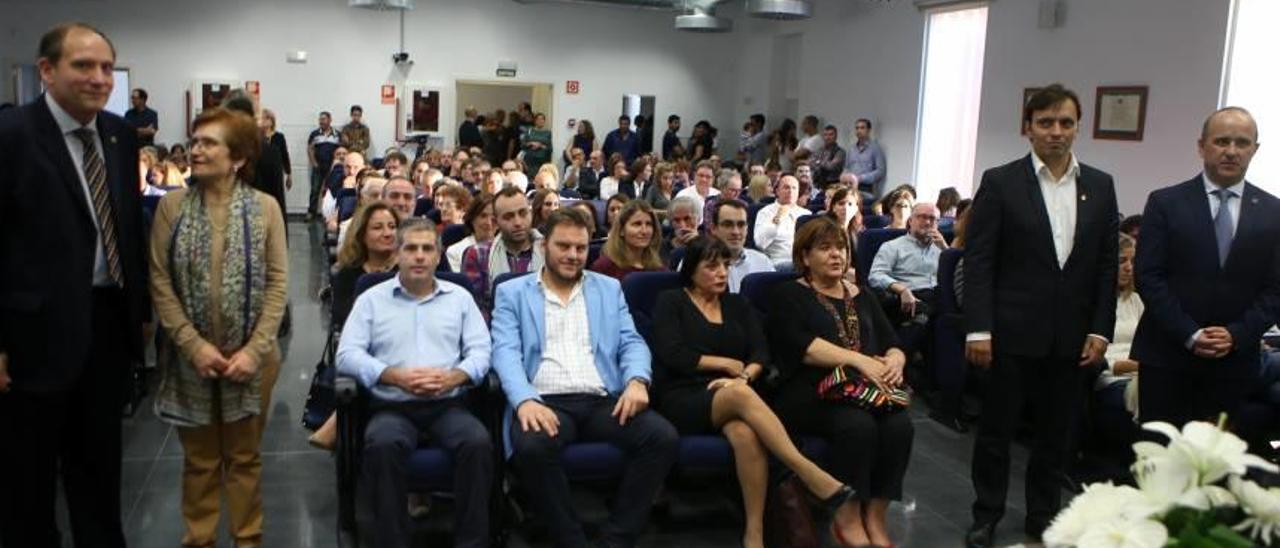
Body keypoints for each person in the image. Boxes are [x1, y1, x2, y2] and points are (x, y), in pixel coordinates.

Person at [0, 23, 149, 547]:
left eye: (107, 67)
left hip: (106, 328)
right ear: (47, 71)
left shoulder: (118, 134)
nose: (99, 78)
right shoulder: (12, 136)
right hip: (30, 339)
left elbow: (126, 229)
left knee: (100, 472)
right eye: (83, 66)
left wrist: (141, 316)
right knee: (28, 483)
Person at [963, 84, 1119, 547]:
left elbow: (1107, 264)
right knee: (996, 432)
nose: (1056, 132)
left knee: (1056, 436)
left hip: (1071, 337)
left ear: (1077, 127)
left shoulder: (1100, 185)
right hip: (1009, 333)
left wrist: (1100, 329)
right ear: (1027, 127)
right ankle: (986, 512)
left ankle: (1043, 516)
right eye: (1046, 122)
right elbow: (981, 261)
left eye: (1066, 123)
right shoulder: (1000, 182)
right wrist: (978, 329)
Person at [490, 208, 679, 548]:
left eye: (580, 248)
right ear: (544, 246)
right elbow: (504, 352)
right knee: (532, 447)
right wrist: (524, 400)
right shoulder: (513, 292)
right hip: (545, 400)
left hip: (601, 397)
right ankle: (571, 540)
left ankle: (616, 540)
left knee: (661, 437)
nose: (573, 255)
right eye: (563, 246)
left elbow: (631, 341)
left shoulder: (608, 288)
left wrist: (637, 380)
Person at [653, 235, 857, 548]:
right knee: (740, 396)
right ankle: (808, 473)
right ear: (692, 271)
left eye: (724, 265)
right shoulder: (671, 301)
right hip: (685, 395)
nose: (722, 272)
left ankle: (754, 532)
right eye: (712, 266)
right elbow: (673, 353)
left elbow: (761, 352)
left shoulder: (737, 303)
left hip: (738, 392)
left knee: (746, 435)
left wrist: (745, 375)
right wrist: (728, 365)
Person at [149, 107, 288, 547]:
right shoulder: (172, 206)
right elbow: (160, 281)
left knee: (244, 458)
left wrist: (253, 350)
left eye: (209, 143)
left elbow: (277, 282)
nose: (196, 150)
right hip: (191, 359)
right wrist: (192, 346)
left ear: (239, 157)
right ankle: (201, 539)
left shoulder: (265, 208)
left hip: (255, 359)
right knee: (200, 460)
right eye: (194, 142)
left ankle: (247, 539)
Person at [337, 218, 494, 548]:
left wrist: (457, 375)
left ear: (438, 256)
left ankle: (473, 542)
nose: (419, 256)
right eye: (411, 248)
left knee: (477, 443)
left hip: (448, 403)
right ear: (397, 253)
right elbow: (347, 354)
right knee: (382, 445)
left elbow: (481, 351)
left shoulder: (460, 298)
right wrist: (392, 375)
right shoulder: (372, 299)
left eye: (427, 249)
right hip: (392, 404)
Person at [767, 217, 912, 548]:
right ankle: (846, 517)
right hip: (810, 390)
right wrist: (860, 360)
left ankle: (875, 515)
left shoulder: (861, 294)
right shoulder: (788, 294)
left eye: (841, 248)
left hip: (864, 389)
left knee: (900, 425)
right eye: (825, 248)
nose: (836, 255)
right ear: (804, 257)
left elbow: (892, 341)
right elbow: (803, 347)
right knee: (857, 426)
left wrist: (895, 360)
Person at [1132, 106, 1280, 428]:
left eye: (1242, 143)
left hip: (1234, 362)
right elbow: (1148, 277)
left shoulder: (1273, 212)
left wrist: (1236, 334)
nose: (1231, 151)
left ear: (1255, 150)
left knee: (1216, 464)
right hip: (1167, 356)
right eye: (1221, 141)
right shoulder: (1165, 203)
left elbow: (1276, 289)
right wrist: (1190, 333)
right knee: (1160, 459)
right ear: (1202, 146)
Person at [461, 186, 543, 311]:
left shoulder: (549, 251)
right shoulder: (478, 254)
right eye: (508, 217)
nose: (517, 222)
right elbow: (474, 309)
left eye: (522, 213)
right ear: (496, 221)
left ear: (531, 213)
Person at [869, 202, 946, 326]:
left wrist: (945, 249)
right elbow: (875, 275)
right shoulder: (893, 246)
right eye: (922, 217)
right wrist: (902, 290)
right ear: (910, 221)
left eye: (932, 219)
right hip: (910, 296)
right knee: (924, 316)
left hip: (938, 297)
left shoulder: (941, 247)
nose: (927, 222)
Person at [1095, 234, 1143, 421]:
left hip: (1139, 372)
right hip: (1110, 377)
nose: (1129, 268)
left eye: (1133, 261)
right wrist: (1129, 366)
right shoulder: (1092, 303)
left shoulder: (1137, 300)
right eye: (1122, 261)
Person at [331, 202, 400, 330]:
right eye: (377, 228)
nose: (387, 233)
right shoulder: (346, 274)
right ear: (361, 234)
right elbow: (345, 319)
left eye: (392, 226)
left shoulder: (408, 270)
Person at [707, 199, 774, 292]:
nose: (735, 232)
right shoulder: (697, 263)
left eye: (741, 225)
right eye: (728, 225)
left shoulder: (763, 263)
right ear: (713, 229)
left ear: (747, 229)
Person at [591, 200, 665, 280]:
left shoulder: (659, 269)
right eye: (637, 224)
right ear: (621, 230)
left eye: (649, 224)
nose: (644, 231)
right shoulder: (603, 268)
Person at [753, 175, 811, 268]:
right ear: (777, 191)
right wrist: (777, 218)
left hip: (805, 261)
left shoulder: (806, 213)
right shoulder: (765, 212)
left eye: (794, 188)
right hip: (778, 262)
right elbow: (760, 243)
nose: (790, 191)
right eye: (786, 187)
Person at [447, 195, 496, 272]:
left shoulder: (507, 249)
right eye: (483, 216)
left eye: (494, 217)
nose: (489, 223)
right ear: (472, 219)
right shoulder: (454, 252)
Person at [308, 111, 342, 220]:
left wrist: (336, 163)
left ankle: (328, 214)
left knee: (330, 191)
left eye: (324, 119)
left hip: (332, 168)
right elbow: (310, 149)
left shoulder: (337, 134)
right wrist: (314, 163)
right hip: (318, 167)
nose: (321, 121)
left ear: (330, 120)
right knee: (314, 190)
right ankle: (311, 212)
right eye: (320, 119)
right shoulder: (314, 134)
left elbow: (340, 150)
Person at [842, 119, 887, 198]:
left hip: (866, 188)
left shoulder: (875, 148)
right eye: (857, 128)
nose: (859, 130)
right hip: (850, 187)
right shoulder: (851, 149)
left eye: (862, 128)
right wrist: (844, 176)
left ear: (869, 130)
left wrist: (861, 178)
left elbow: (880, 171)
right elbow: (846, 167)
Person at [259, 108, 292, 192]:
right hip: (260, 172)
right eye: (262, 118)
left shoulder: (279, 137)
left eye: (266, 118)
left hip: (276, 171)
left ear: (272, 121)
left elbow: (285, 155)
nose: (264, 121)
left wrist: (289, 174)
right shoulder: (256, 136)